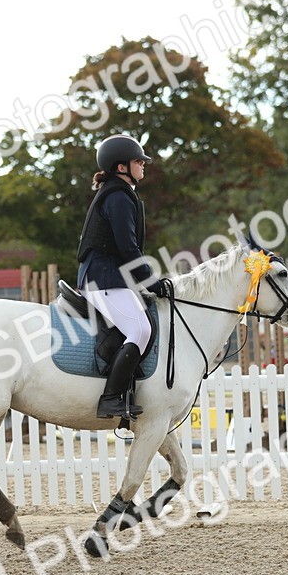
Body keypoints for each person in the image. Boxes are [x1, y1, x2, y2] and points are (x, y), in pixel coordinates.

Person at [76, 134, 167, 419]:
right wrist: (150, 281)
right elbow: (128, 247)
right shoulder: (117, 197)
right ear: (121, 167)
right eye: (138, 161)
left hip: (108, 277)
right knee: (140, 330)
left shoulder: (119, 193)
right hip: (104, 279)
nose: (143, 165)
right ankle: (111, 398)